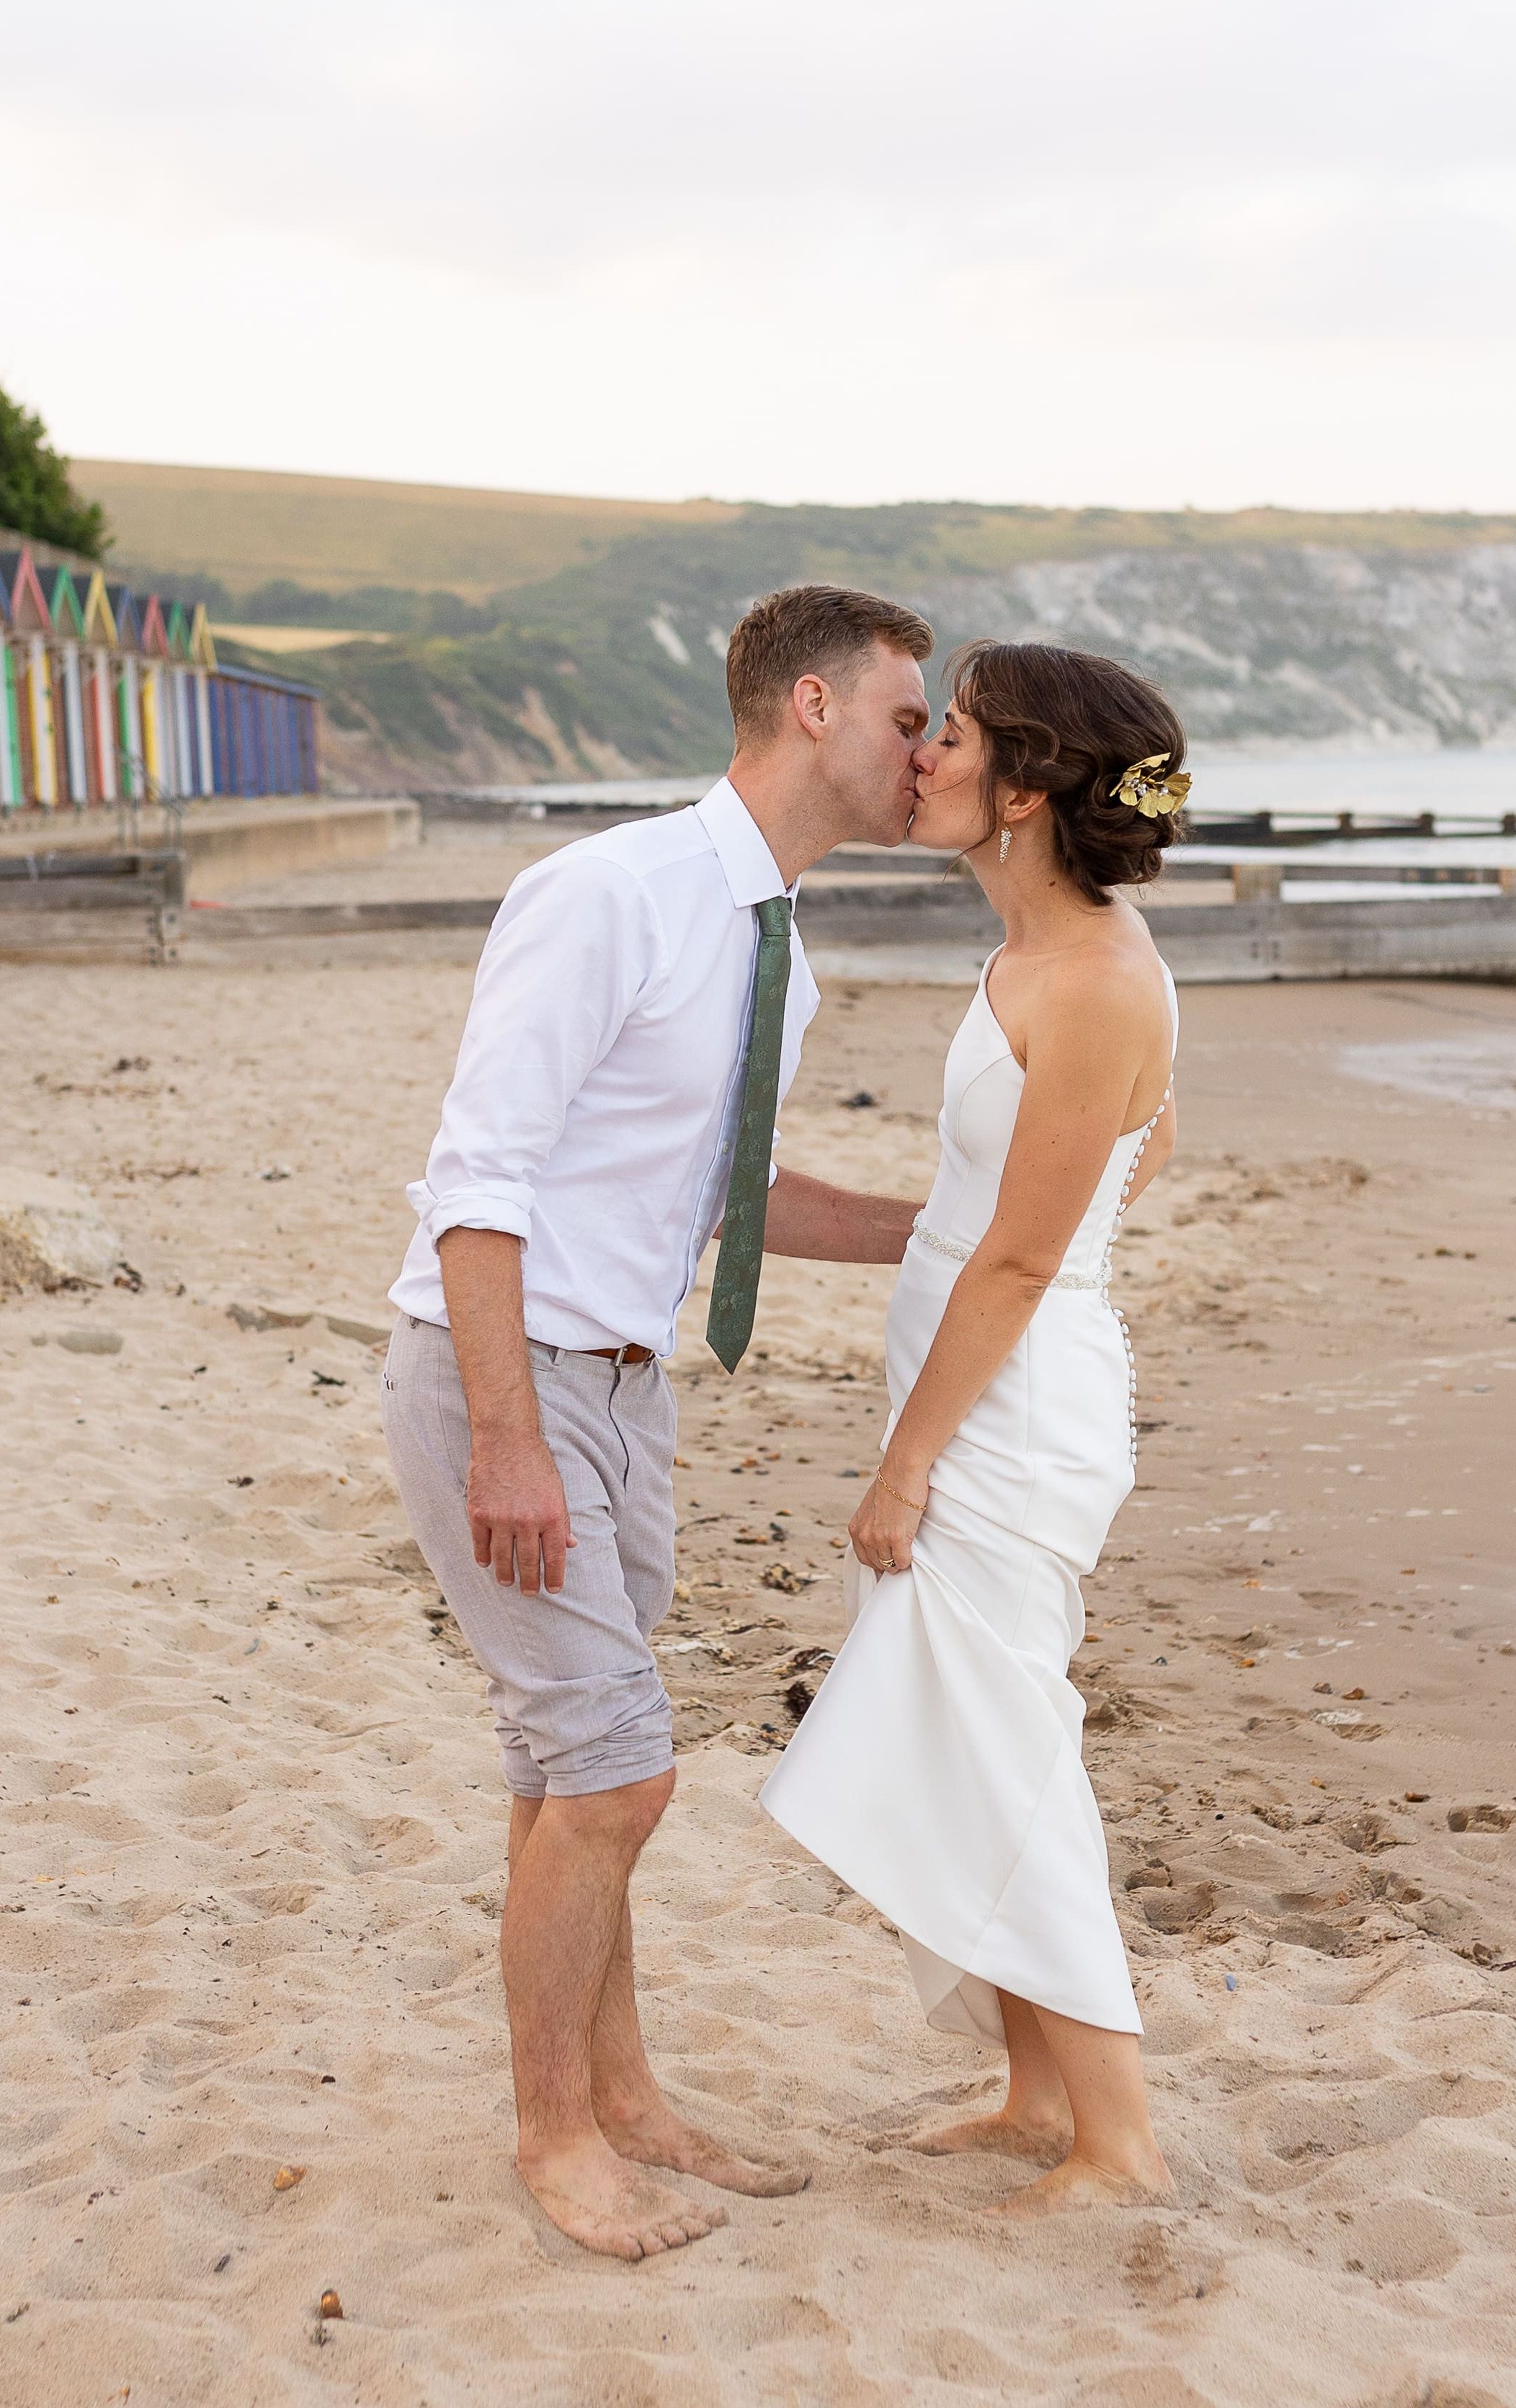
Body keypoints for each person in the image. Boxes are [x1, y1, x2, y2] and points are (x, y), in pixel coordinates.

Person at [381, 583, 938, 2260]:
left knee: (567, 1771)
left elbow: (730, 1202)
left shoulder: (778, 948)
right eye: (912, 717)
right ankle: (556, 2135)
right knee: (621, 1779)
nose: (932, 752)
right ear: (819, 711)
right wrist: (504, 1436)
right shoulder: (609, 895)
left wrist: (957, 1232)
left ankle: (623, 2095)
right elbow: (475, 1177)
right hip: (509, 1377)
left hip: (624, 1387)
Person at [757, 640, 1187, 2218]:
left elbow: (1017, 1259)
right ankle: (1024, 2088)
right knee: (960, 1740)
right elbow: (1131, 1146)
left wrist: (907, 1461)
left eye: (952, 734)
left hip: (1007, 1421)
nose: (920, 752)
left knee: (1005, 1747)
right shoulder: (1039, 953)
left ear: (1022, 788)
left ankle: (1117, 2138)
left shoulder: (1094, 978)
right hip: (974, 1389)